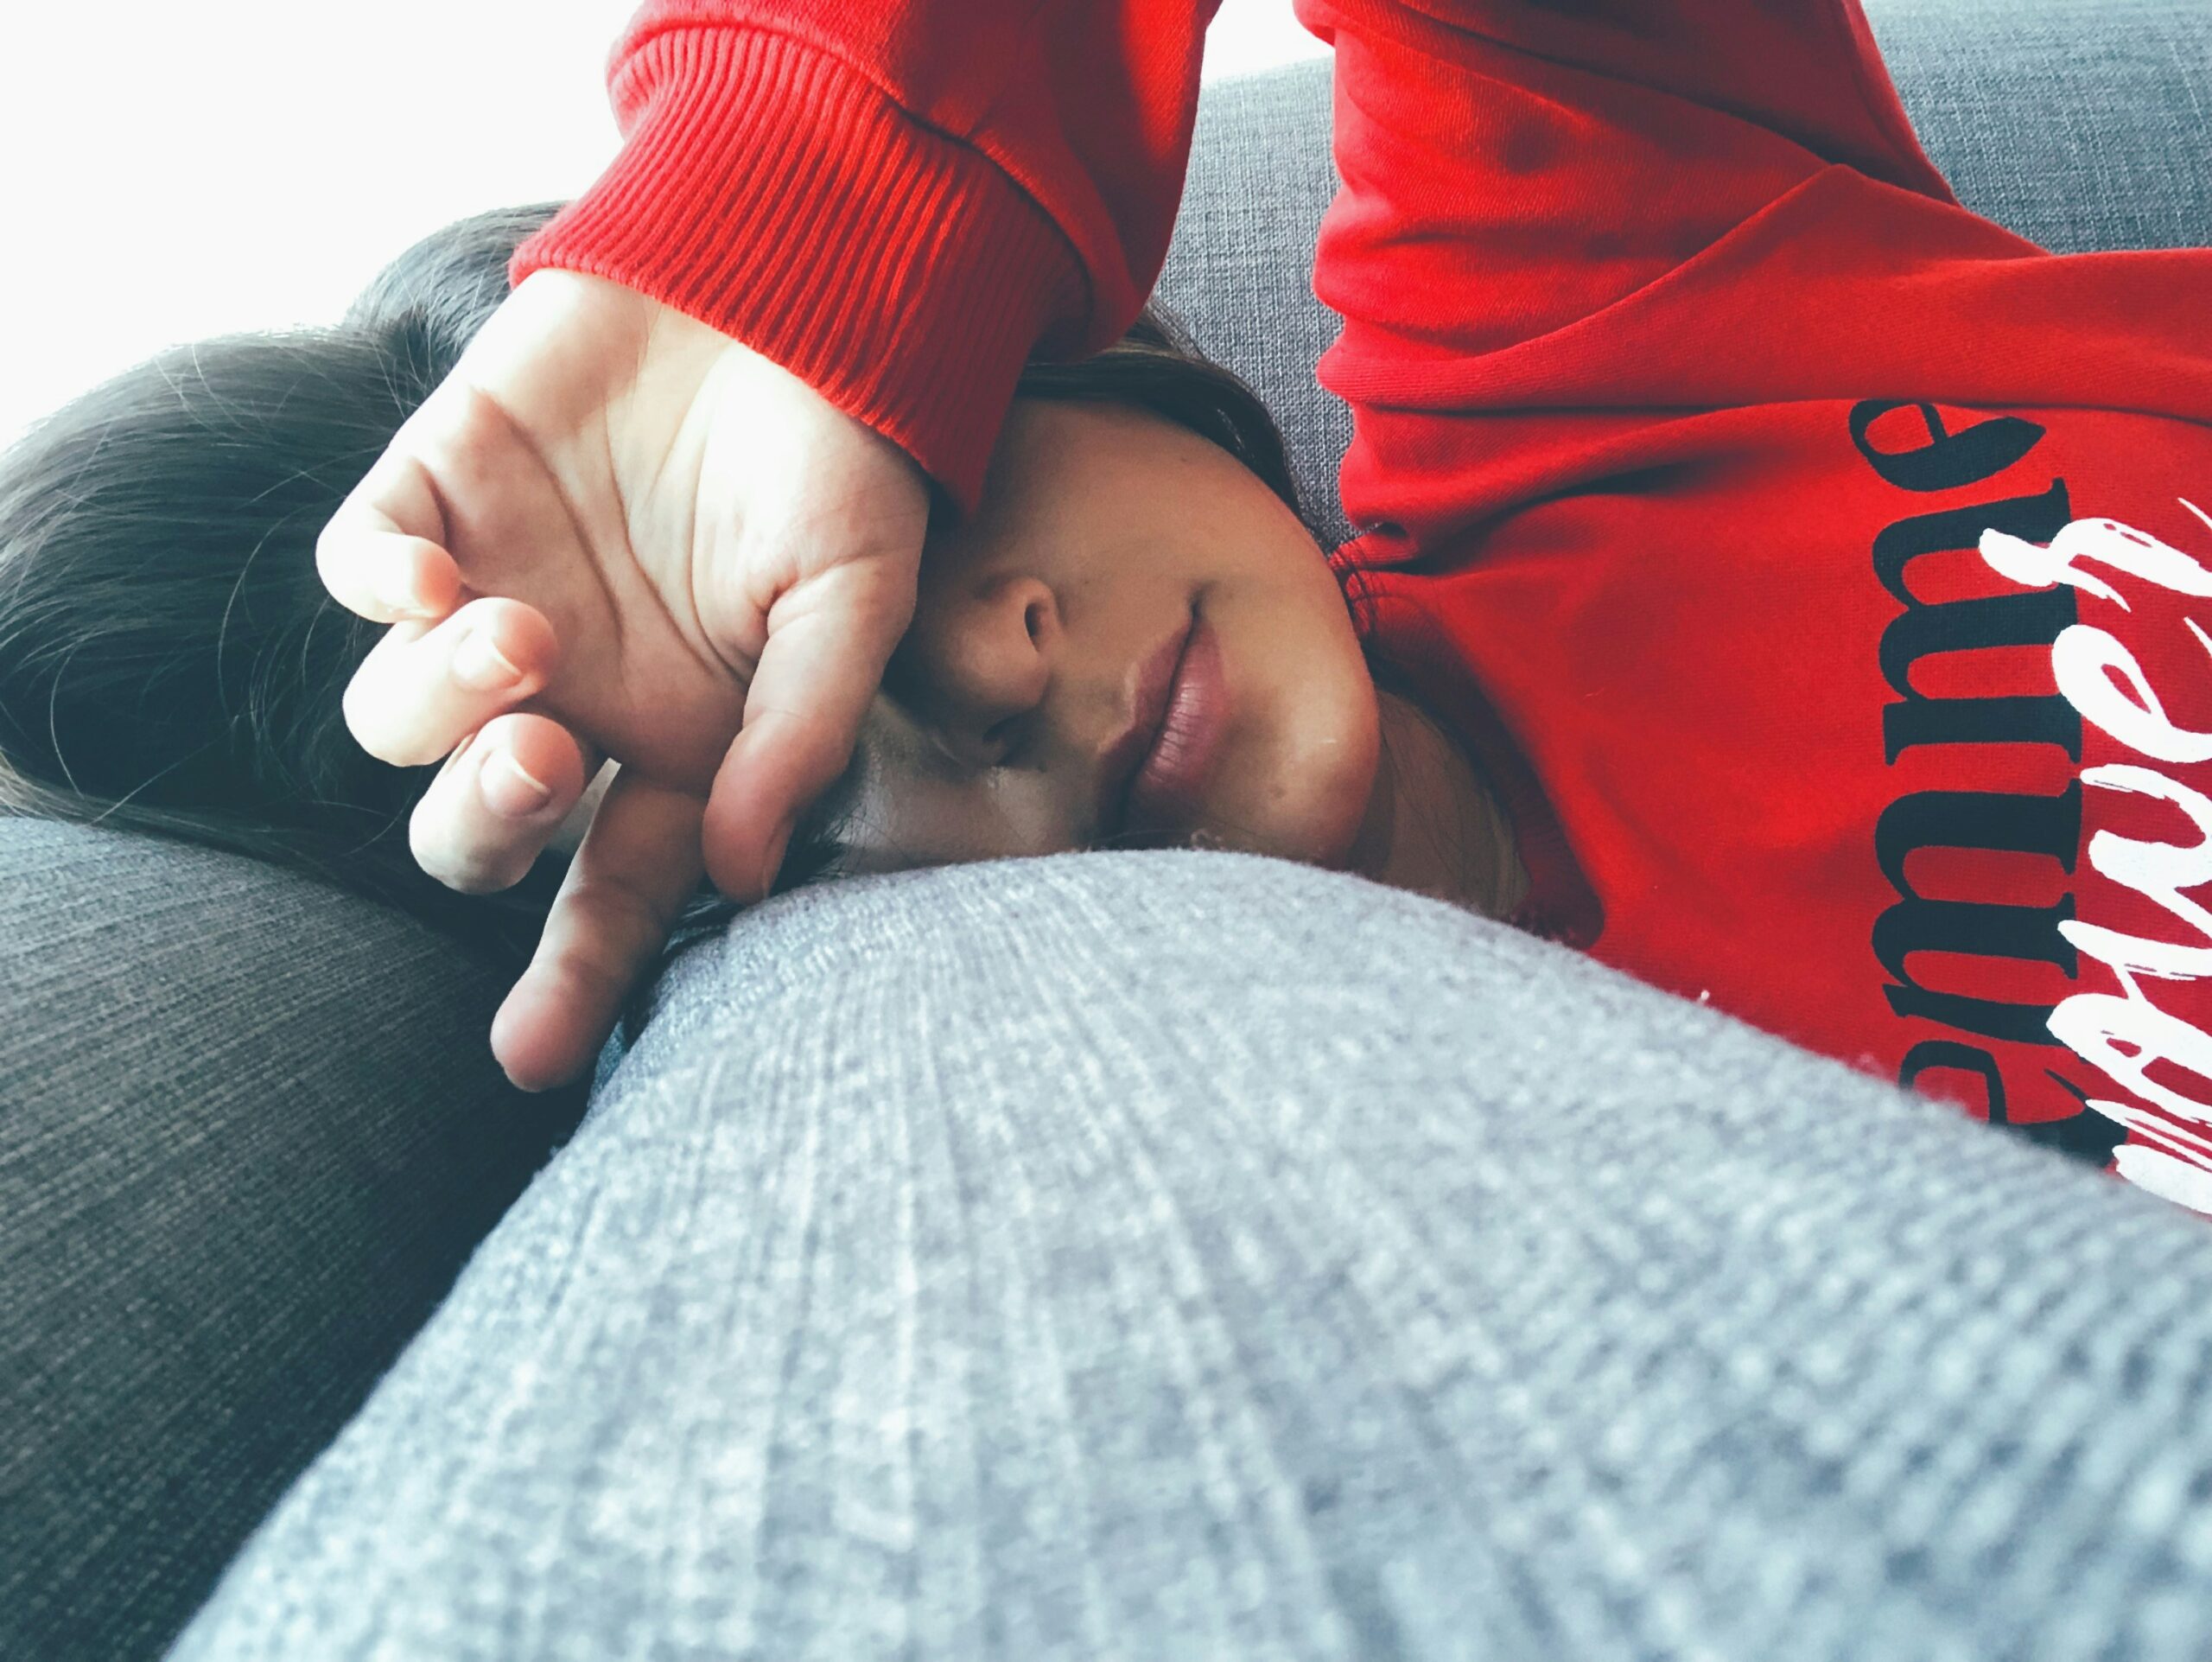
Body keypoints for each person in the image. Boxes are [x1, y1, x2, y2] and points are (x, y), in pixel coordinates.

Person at [10, 0, 2212, 1215]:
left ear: (1077, 345)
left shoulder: (1590, 324)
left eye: (921, 507)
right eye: (796, 721)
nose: (975, 667)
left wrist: (830, 201)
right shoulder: (1367, 1236)